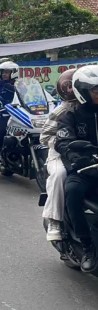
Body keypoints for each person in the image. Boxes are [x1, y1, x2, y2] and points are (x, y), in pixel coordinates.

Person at [55, 65, 98, 273]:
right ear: (82, 92)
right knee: (72, 192)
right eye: (95, 90)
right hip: (85, 169)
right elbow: (62, 142)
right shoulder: (70, 116)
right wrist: (76, 157)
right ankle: (88, 246)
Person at [40, 69, 78, 242]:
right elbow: (45, 137)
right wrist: (64, 140)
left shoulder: (91, 108)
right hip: (59, 153)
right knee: (59, 175)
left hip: (87, 151)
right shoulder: (61, 111)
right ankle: (54, 220)